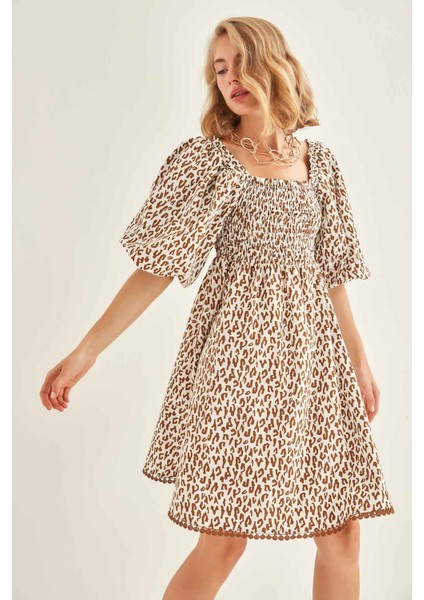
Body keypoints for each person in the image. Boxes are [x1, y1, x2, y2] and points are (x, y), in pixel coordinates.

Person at [39, 16, 395, 600]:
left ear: (275, 64)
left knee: (342, 535)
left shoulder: (321, 166)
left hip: (314, 365)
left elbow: (332, 273)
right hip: (237, 363)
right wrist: (87, 351)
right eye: (219, 69)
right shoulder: (209, 161)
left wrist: (359, 358)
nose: (230, 80)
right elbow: (157, 267)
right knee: (224, 541)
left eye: (241, 64)